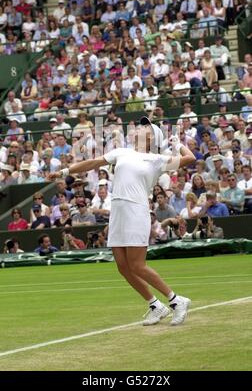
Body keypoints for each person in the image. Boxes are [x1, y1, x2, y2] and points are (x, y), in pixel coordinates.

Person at [49, 116, 195, 327]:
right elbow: (92, 162)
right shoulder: (122, 152)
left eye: (145, 127)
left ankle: (176, 300)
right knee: (123, 266)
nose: (139, 127)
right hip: (117, 211)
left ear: (152, 137)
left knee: (137, 265)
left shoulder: (157, 159)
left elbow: (189, 158)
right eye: (140, 124)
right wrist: (64, 171)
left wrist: (177, 144)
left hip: (137, 210)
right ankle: (155, 305)